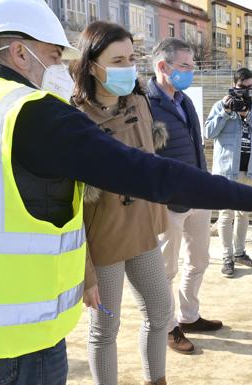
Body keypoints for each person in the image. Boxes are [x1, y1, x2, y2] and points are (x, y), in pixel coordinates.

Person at [0, 1, 252, 384]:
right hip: (13, 333)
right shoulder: (33, 113)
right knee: (107, 327)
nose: (59, 65)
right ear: (19, 52)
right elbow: (148, 172)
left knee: (157, 308)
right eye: (52, 55)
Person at [70, 22, 170, 385]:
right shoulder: (72, 117)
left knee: (161, 312)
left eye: (131, 58)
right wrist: (85, 273)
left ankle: (155, 379)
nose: (128, 66)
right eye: (117, 59)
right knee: (105, 327)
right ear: (92, 64)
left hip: (143, 232)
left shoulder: (139, 102)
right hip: (103, 244)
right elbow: (69, 205)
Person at [146, 38, 223, 355]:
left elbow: (196, 146)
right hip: (168, 203)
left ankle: (188, 316)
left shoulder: (185, 100)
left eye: (192, 66)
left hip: (197, 195)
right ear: (163, 66)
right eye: (185, 66)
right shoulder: (145, 104)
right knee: (165, 269)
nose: (190, 72)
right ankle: (166, 328)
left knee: (199, 260)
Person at [204, 68, 252, 278]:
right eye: (242, 88)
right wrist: (226, 113)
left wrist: (248, 115)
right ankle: (227, 257)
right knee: (226, 215)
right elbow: (208, 133)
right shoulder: (221, 106)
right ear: (234, 86)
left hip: (248, 169)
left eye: (250, 88)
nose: (245, 92)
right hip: (226, 170)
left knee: (244, 213)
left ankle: (240, 252)